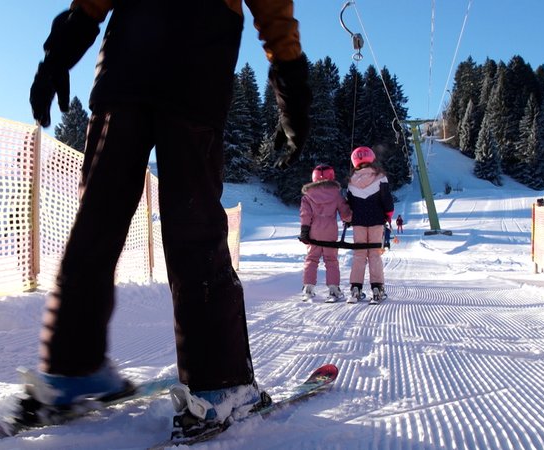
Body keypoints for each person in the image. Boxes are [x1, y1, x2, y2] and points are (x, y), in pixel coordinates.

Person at [24, 0, 311, 439]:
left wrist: (57, 57)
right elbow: (274, 12)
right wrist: (292, 96)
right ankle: (221, 385)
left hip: (123, 75)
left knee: (96, 225)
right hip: (196, 74)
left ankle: (68, 371)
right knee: (194, 229)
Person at [345, 146, 394, 304]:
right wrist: (388, 215)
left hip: (358, 222)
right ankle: (377, 288)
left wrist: (350, 218)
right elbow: (387, 200)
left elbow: (350, 204)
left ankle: (355, 288)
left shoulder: (351, 181)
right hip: (376, 221)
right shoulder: (380, 177)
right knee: (374, 254)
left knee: (359, 255)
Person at [298, 164, 352, 303]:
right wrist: (349, 217)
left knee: (311, 259)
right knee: (331, 260)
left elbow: (305, 214)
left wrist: (304, 231)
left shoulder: (307, 196)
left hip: (313, 232)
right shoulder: (336, 194)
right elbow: (345, 214)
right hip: (330, 232)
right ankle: (333, 289)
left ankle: (308, 288)